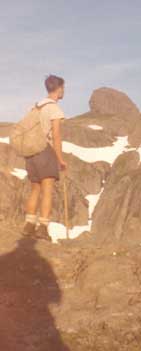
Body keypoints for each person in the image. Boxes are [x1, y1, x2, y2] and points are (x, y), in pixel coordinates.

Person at [22, 74, 67, 241]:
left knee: (35, 189)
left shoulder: (34, 107)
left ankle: (28, 225)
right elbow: (56, 136)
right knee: (47, 190)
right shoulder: (54, 108)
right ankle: (43, 228)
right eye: (63, 88)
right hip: (45, 151)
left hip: (31, 153)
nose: (63, 91)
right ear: (59, 88)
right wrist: (60, 159)